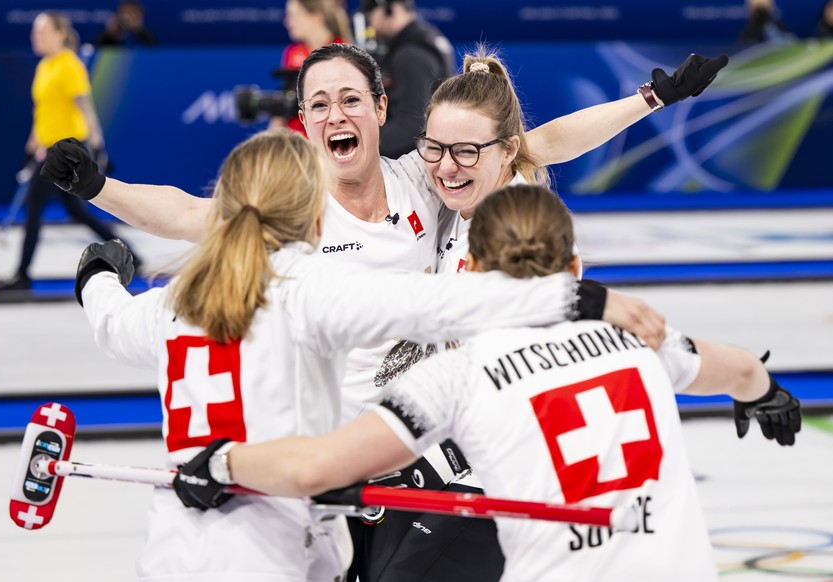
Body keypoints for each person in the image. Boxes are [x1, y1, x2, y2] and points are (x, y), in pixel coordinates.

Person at [72, 129, 629, 580]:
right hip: (277, 554)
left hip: (170, 554)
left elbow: (112, 323)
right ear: (312, 211)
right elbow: (430, 304)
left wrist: (97, 273)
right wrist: (572, 294)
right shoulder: (309, 288)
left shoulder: (178, 299)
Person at [174, 184, 802, 582]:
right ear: (575, 269)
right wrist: (764, 393)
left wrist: (222, 464)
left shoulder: (457, 374)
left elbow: (318, 469)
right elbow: (741, 370)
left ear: (469, 270)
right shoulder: (640, 338)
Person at [0, 11, 138, 293]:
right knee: (77, 211)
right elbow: (43, 113)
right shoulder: (44, 67)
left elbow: (86, 107)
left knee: (34, 208)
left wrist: (98, 145)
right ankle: (132, 253)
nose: (36, 36)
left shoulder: (69, 65)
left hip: (67, 149)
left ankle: (22, 275)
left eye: (42, 31)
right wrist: (31, 145)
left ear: (60, 34)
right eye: (34, 32)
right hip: (48, 148)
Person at [359, 0, 454, 158]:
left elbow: (411, 125)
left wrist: (361, 145)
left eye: (373, 18)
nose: (372, 26)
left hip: (413, 163)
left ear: (391, 9)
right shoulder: (426, 39)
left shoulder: (411, 55)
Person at [272, 0, 352, 135]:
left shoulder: (343, 51)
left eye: (294, 15)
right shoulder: (293, 53)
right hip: (293, 143)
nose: (287, 22)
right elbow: (283, 108)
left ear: (316, 16)